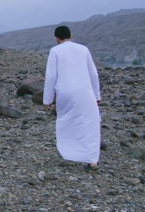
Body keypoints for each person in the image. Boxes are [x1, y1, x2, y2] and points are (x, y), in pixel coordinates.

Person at [42, 25, 102, 170]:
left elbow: (51, 76)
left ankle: (70, 152)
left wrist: (47, 99)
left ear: (57, 38)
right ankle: (92, 160)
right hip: (85, 92)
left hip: (65, 93)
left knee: (67, 122)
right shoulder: (84, 49)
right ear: (71, 35)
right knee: (90, 124)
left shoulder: (55, 51)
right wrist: (97, 95)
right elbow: (93, 73)